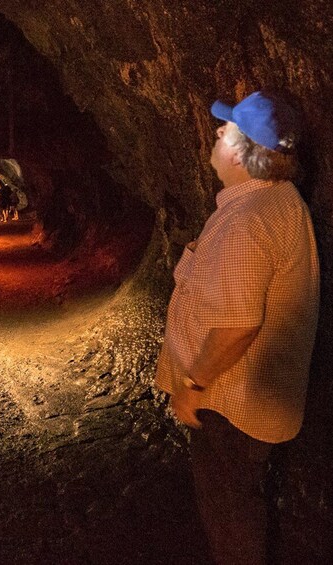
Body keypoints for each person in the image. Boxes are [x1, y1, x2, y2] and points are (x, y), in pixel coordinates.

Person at [155, 91, 319, 565]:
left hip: (230, 404)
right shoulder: (276, 201)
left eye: (225, 130)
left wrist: (191, 385)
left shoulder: (248, 222)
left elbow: (237, 325)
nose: (216, 133)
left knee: (231, 514)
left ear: (241, 153)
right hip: (248, 402)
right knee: (240, 504)